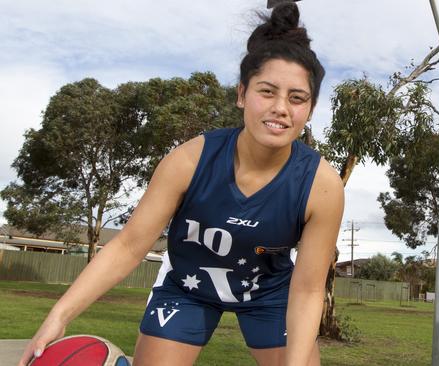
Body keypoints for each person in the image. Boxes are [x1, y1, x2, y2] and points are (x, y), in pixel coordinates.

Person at [19, 3, 343, 366]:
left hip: (268, 293)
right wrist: (59, 316)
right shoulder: (190, 160)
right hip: (188, 284)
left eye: (297, 98)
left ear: (310, 109)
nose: (281, 107)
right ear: (241, 95)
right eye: (267, 91)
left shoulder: (322, 185)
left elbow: (308, 288)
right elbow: (127, 246)